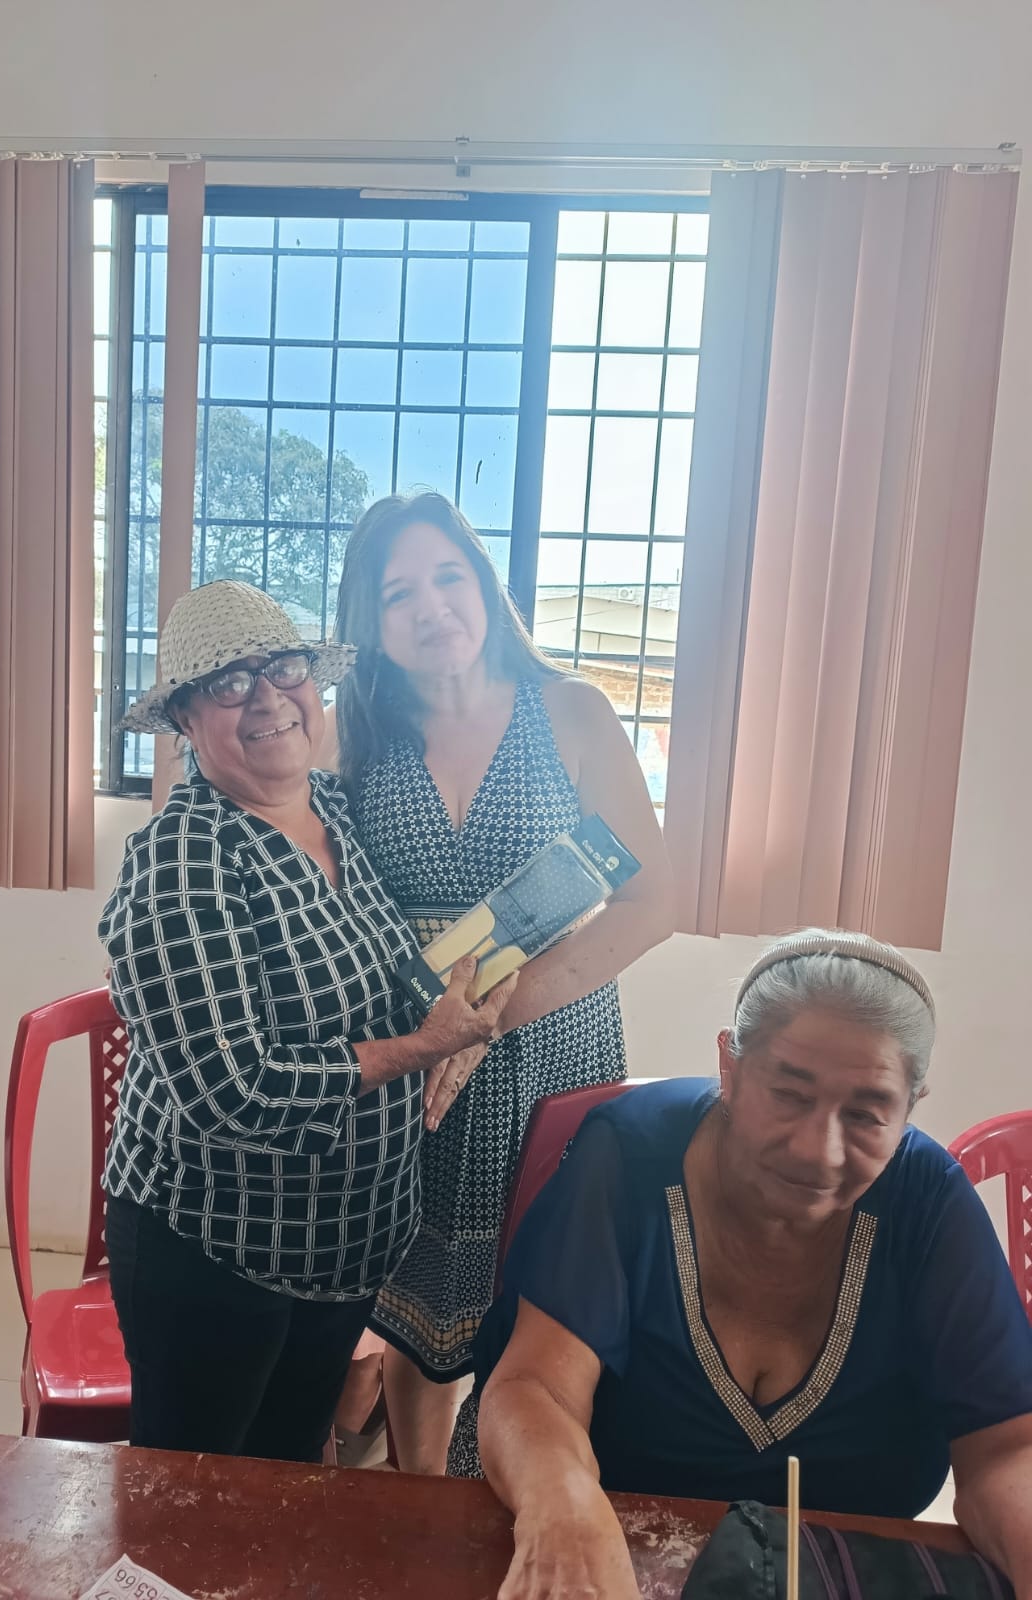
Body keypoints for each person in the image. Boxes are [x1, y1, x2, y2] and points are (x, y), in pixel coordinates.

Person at [461, 930, 1032, 1600]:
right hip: (619, 1551)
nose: (819, 1151)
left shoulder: (928, 1201)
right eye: (789, 1094)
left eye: (866, 1114)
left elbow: (1005, 1447)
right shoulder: (629, 1154)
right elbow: (537, 1387)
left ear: (910, 1107)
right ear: (729, 1066)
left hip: (836, 1572)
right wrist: (560, 1509)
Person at [99, 580, 515, 1464]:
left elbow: (384, 979)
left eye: (283, 669)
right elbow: (232, 1089)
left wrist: (481, 988)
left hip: (342, 1255)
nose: (267, 699)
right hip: (214, 1251)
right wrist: (427, 1046)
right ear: (185, 719)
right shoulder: (183, 859)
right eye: (228, 683)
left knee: (286, 1480)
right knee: (195, 1499)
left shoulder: (333, 811)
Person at [328, 492, 674, 1473]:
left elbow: (653, 900)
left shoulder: (570, 712)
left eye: (449, 576)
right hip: (416, 1055)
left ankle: (516, 1487)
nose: (431, 606)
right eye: (398, 593)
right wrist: (424, 1034)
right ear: (370, 622)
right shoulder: (355, 731)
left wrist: (493, 1018)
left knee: (538, 1299)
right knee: (417, 1299)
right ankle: (419, 1497)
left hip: (551, 1043)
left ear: (486, 586)